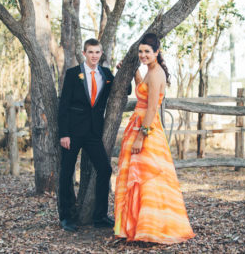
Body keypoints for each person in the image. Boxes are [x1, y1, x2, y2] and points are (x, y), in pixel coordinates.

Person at [114, 33, 195, 244]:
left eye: (147, 52)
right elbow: (143, 90)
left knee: (147, 176)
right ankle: (136, 224)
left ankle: (151, 227)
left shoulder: (157, 73)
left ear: (156, 52)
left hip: (146, 128)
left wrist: (141, 136)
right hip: (139, 125)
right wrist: (133, 73)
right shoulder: (150, 71)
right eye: (140, 52)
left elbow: (151, 108)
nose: (143, 55)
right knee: (137, 175)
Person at [58, 38, 120, 232]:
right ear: (84, 53)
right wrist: (64, 134)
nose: (94, 56)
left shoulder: (107, 75)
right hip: (73, 133)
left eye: (97, 52)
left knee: (105, 169)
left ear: (102, 54)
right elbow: (64, 105)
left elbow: (123, 90)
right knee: (67, 173)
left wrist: (124, 72)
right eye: (90, 52)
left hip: (94, 133)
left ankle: (100, 216)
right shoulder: (72, 74)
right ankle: (66, 217)